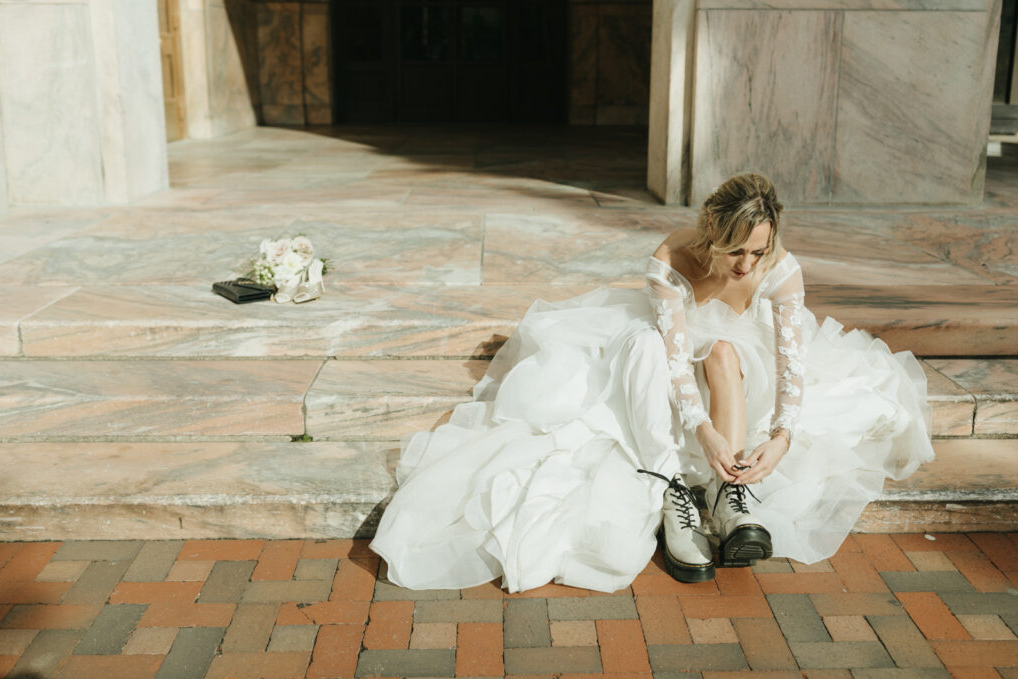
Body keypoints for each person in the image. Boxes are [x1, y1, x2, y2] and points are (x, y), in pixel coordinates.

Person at [371, 173, 935, 593]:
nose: (746, 266)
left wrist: (784, 435)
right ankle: (670, 488)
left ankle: (728, 492)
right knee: (655, 348)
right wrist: (701, 428)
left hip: (737, 368)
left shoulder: (780, 272)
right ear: (710, 234)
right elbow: (671, 360)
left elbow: (792, 364)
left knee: (724, 350)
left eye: (758, 251)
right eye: (735, 251)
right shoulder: (670, 261)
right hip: (670, 359)